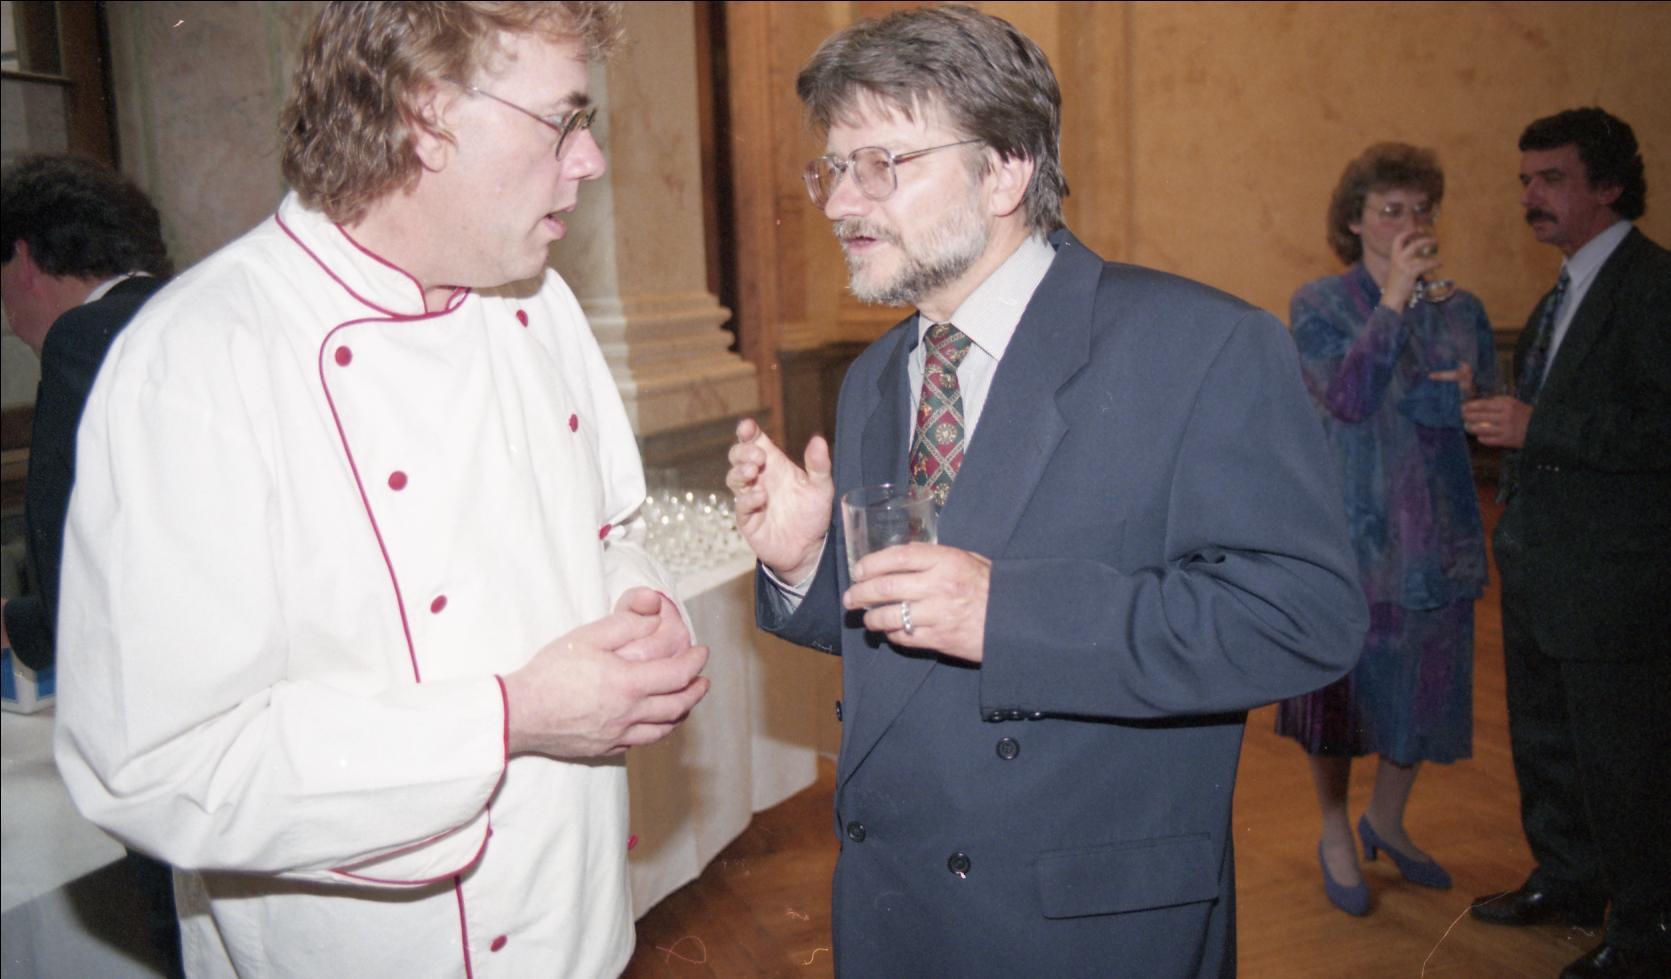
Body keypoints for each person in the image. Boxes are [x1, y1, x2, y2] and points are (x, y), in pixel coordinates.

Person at [52, 3, 711, 977]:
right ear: (425, 115)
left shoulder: (540, 304)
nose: (590, 159)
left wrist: (640, 609)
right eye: (561, 119)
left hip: (579, 927)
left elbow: (605, 533)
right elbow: (156, 767)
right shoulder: (198, 358)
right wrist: (509, 717)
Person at [724, 6, 1367, 975]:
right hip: (895, 910)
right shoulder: (874, 378)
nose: (840, 202)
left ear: (1006, 170)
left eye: (881, 164)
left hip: (1085, 922)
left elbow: (1303, 618)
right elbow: (906, 637)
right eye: (833, 168)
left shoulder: (1200, 345)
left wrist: (1011, 614)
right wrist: (809, 564)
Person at [1461, 107, 1670, 979]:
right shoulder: (1562, 290)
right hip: (1544, 563)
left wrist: (1536, 426)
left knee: (1624, 759)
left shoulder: (1652, 287)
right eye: (1524, 180)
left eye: (1550, 178)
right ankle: (1570, 880)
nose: (1530, 196)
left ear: (1609, 185)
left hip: (1616, 574)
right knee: (1547, 741)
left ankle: (1648, 926)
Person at [1275, 144, 1497, 917]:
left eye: (1420, 209)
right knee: (1343, 697)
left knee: (1426, 693)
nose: (1409, 223)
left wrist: (1468, 398)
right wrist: (1394, 297)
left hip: (1439, 535)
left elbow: (1480, 419)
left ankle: (1388, 819)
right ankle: (1335, 827)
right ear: (1353, 220)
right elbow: (1346, 396)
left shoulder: (1462, 309)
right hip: (1356, 537)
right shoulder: (1318, 304)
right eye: (1389, 210)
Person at [1, 153, 182, 977]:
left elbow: (74, 568)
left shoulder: (83, 339)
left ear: (23, 258)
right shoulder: (197, 309)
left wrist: (28, 624)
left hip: (159, 724)